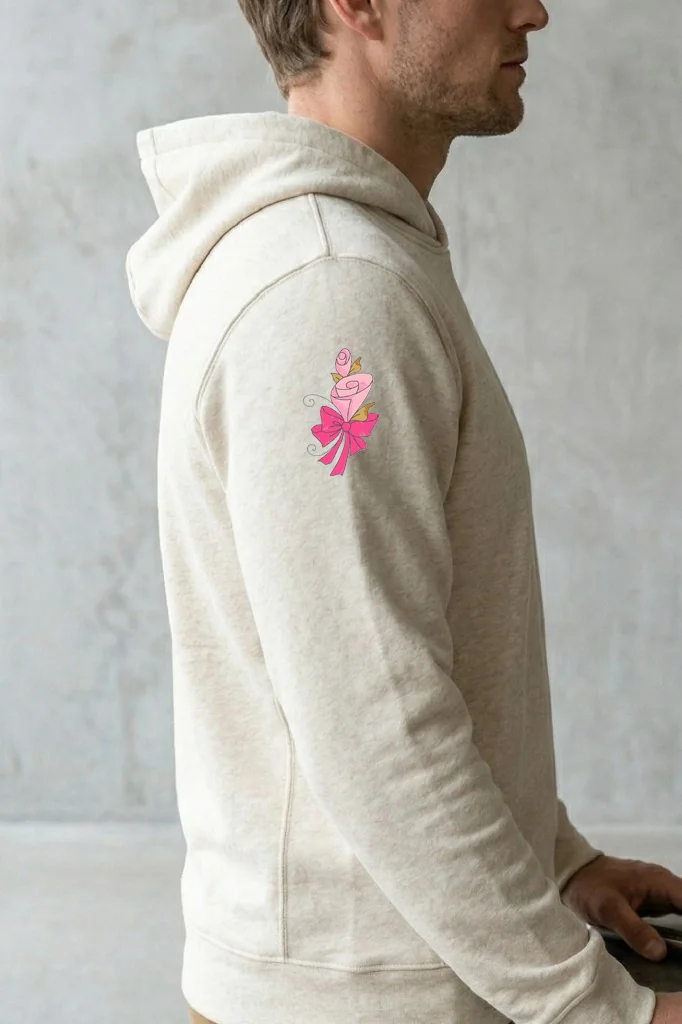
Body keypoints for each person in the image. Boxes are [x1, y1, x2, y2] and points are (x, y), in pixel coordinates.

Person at [125, 0, 682, 1022]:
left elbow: (394, 658)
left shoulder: (353, 259)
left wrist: (554, 860)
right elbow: (376, 724)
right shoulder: (330, 291)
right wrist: (600, 1007)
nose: (533, 11)